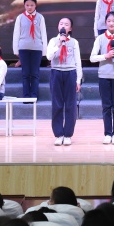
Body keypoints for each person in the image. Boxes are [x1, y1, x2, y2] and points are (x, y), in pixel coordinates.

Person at [90, 11, 114, 144]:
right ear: (105, 23)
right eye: (109, 21)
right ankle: (107, 133)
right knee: (106, 106)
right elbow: (92, 57)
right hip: (104, 76)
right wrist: (105, 56)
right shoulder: (100, 39)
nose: (111, 23)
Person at [47, 17, 83, 146]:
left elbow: (78, 61)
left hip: (70, 73)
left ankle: (68, 134)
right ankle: (58, 134)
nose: (63, 26)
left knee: (70, 105)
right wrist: (58, 44)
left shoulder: (74, 42)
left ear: (70, 28)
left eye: (66, 24)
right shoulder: (53, 41)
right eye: (61, 23)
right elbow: (49, 56)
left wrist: (78, 80)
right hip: (56, 73)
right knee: (57, 104)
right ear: (58, 27)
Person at [13, 0, 47, 99]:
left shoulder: (40, 17)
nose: (29, 7)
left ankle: (34, 96)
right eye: (27, 5)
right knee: (26, 73)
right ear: (24, 5)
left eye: (32, 5)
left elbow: (43, 34)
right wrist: (16, 50)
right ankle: (26, 96)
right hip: (23, 48)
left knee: (35, 73)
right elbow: (16, 34)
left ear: (35, 5)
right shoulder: (20, 17)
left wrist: (44, 50)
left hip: (37, 48)